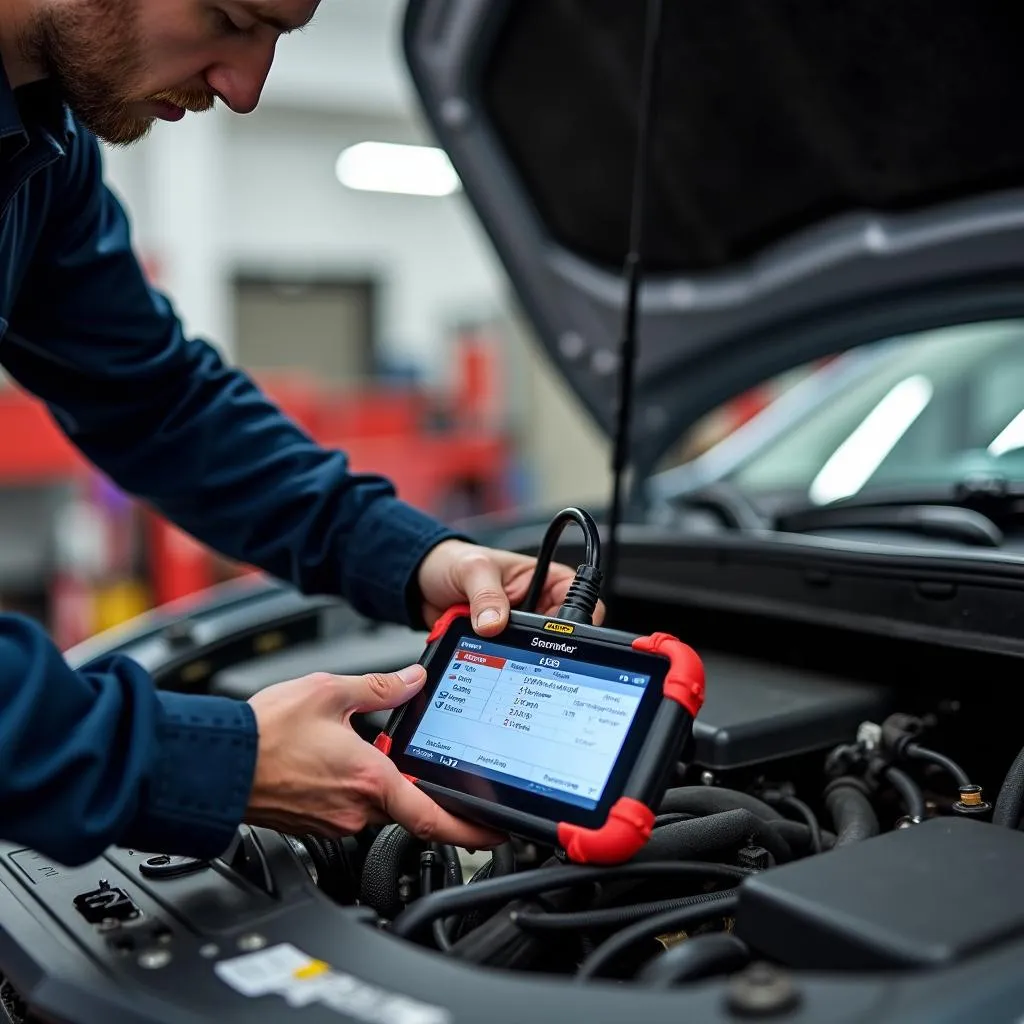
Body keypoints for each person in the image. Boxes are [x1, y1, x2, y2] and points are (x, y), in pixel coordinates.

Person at [0, 0, 601, 867]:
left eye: (279, 40)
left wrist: (413, 558)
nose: (245, 87)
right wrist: (195, 762)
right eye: (233, 16)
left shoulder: (40, 146)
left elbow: (158, 403)